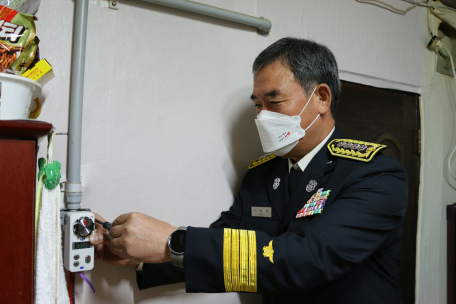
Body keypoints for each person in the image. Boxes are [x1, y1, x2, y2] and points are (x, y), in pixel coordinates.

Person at [90, 37, 408, 304]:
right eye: (257, 104)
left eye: (274, 101)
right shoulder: (261, 176)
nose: (262, 116)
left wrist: (171, 241)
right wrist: (139, 258)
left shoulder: (376, 174)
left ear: (321, 98)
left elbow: (307, 259)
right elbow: (225, 245)